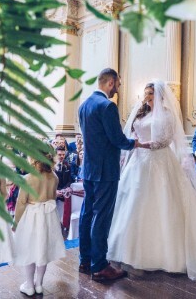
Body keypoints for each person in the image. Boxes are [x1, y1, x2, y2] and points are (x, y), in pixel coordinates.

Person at [107, 81, 196, 280]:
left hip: (159, 163)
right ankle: (126, 251)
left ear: (160, 96)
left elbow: (163, 142)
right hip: (137, 164)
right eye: (146, 94)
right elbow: (132, 132)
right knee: (133, 203)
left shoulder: (167, 115)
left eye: (150, 94)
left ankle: (166, 256)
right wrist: (132, 143)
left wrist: (138, 144)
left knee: (164, 203)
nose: (147, 98)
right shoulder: (141, 113)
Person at [78, 68, 144, 281]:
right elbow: (117, 139)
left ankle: (85, 260)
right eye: (118, 84)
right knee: (102, 216)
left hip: (88, 169)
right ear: (110, 83)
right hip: (105, 171)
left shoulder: (84, 105)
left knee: (87, 214)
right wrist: (135, 142)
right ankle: (100, 266)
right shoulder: (107, 106)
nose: (119, 88)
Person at [13, 148, 66, 296]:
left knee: (29, 250)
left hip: (32, 217)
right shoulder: (54, 177)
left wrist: (16, 222)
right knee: (43, 250)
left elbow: (21, 202)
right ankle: (39, 284)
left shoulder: (28, 178)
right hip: (49, 216)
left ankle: (29, 285)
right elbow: (53, 197)